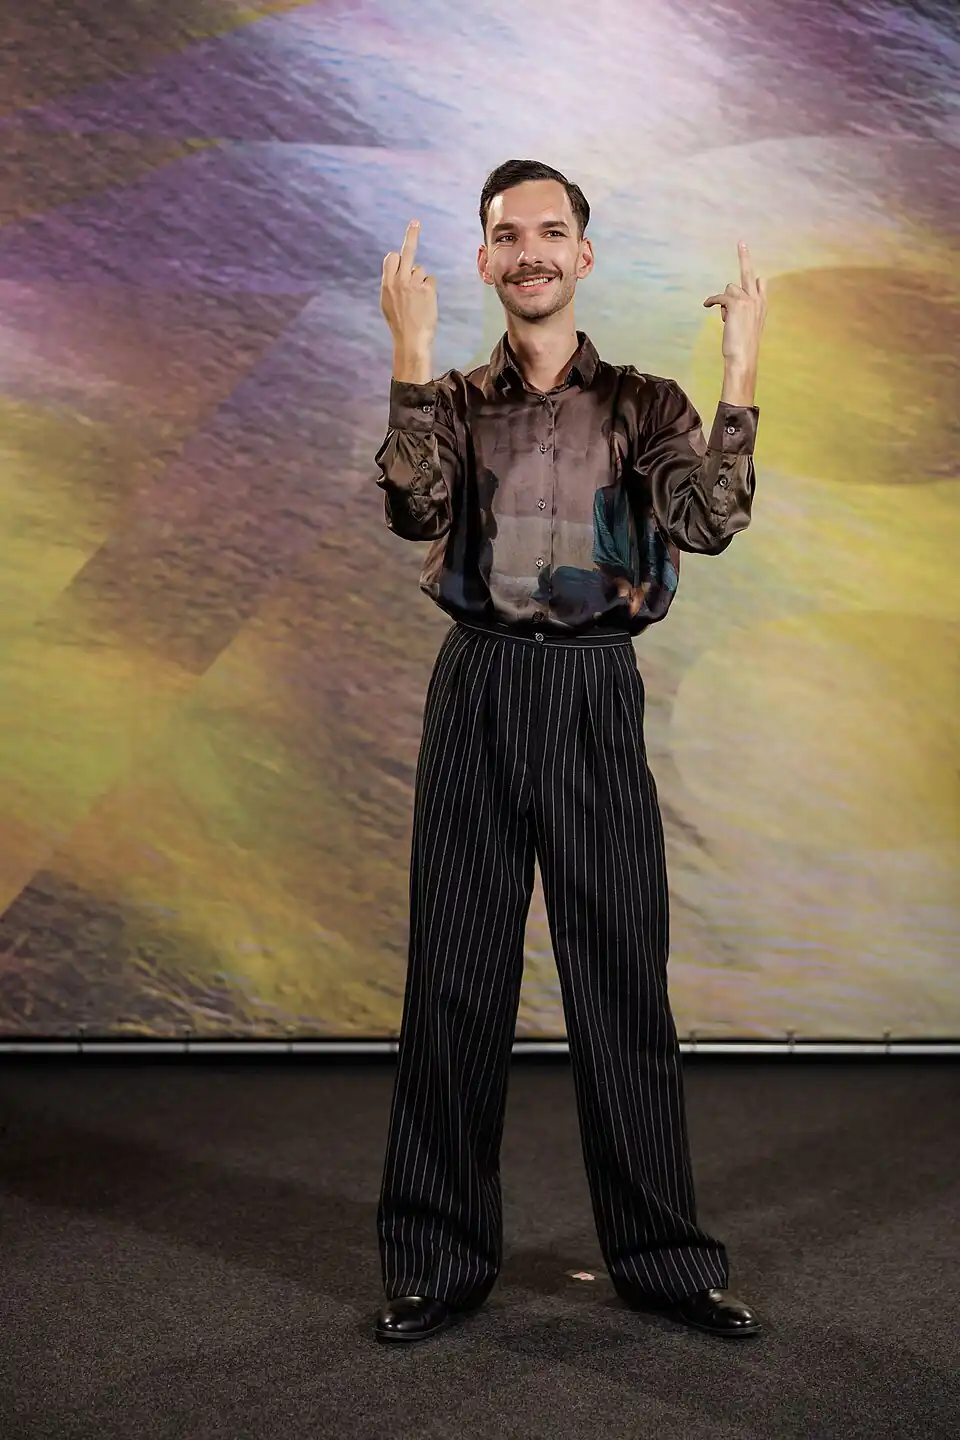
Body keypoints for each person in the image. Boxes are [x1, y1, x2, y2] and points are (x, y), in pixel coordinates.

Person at [372, 158, 767, 1344]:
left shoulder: (647, 403)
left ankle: (663, 1260)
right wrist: (408, 350)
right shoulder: (450, 400)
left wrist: (742, 368)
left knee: (620, 982)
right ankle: (436, 1259)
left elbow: (708, 522)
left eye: (551, 232)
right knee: (454, 981)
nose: (531, 251)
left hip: (596, 691)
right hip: (481, 688)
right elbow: (411, 509)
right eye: (509, 235)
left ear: (583, 256)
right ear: (486, 259)